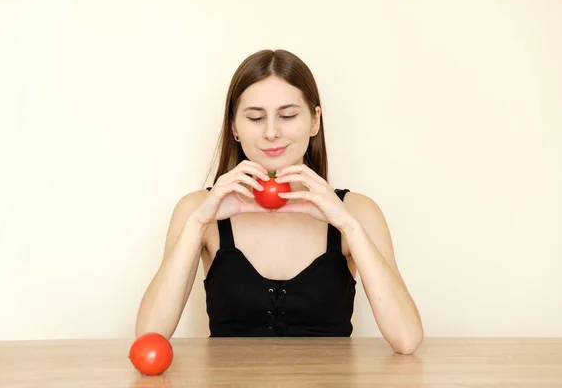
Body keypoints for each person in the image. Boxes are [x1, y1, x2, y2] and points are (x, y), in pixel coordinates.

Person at [135, 49, 424, 354]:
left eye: (287, 116)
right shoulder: (197, 211)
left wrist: (348, 226)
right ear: (234, 127)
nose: (272, 132)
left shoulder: (358, 212)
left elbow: (406, 339)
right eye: (256, 118)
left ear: (315, 122)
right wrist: (197, 223)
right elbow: (149, 337)